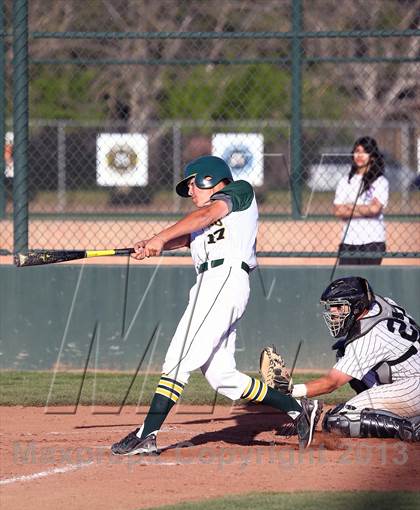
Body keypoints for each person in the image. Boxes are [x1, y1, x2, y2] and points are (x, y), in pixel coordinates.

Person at [111, 155, 321, 455]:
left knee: (178, 358)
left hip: (224, 279)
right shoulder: (203, 218)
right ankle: (299, 410)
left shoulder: (238, 192)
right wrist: (151, 244)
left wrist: (159, 236)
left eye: (193, 185)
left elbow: (205, 217)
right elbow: (184, 237)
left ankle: (148, 432)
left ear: (210, 178)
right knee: (222, 377)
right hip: (211, 283)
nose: (191, 193)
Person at [286, 276, 420, 441]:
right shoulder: (382, 303)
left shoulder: (369, 336)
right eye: (331, 306)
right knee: (343, 351)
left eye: (338, 306)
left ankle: (411, 429)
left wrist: (290, 391)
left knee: (337, 421)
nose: (333, 312)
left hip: (414, 385)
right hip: (410, 374)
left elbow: (331, 383)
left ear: (357, 307)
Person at [334, 137, 389, 265]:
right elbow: (338, 211)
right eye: (357, 151)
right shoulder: (345, 181)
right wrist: (366, 209)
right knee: (348, 283)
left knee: (366, 282)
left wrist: (350, 206)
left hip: (373, 241)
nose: (359, 155)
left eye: (365, 152)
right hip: (348, 242)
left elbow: (375, 209)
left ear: (373, 157)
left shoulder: (380, 182)